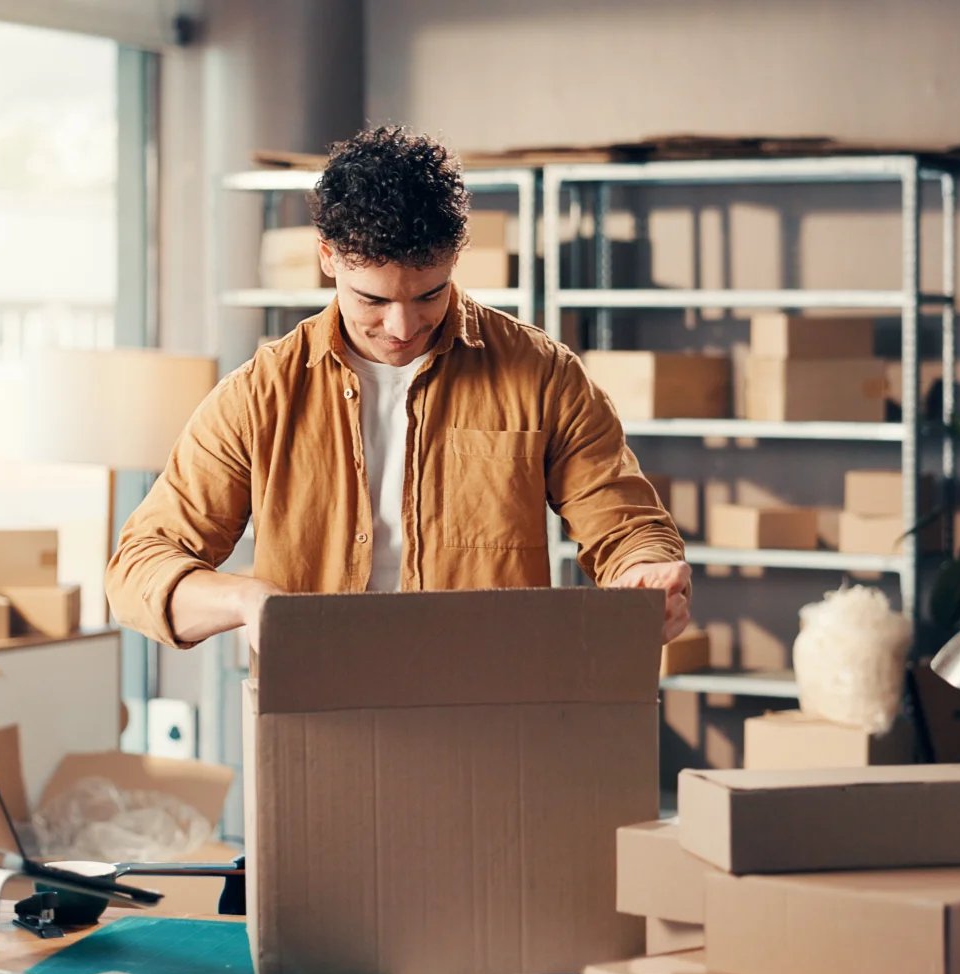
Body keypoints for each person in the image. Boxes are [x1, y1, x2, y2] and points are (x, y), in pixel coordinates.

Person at [106, 124, 689, 651]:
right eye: (373, 300)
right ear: (328, 257)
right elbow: (137, 570)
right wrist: (244, 600)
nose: (403, 327)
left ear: (456, 258)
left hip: (493, 708)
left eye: (429, 294)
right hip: (318, 711)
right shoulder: (260, 397)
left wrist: (646, 569)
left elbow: (625, 525)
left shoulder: (543, 375)